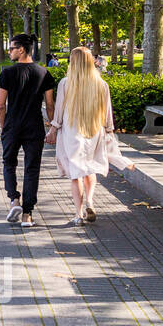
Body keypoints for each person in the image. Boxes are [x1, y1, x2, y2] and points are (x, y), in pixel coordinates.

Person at [46, 47, 135, 224]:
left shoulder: (65, 82)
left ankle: (78, 214)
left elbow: (59, 110)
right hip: (94, 130)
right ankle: (90, 201)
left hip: (72, 132)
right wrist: (109, 130)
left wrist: (53, 129)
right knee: (89, 168)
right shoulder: (101, 84)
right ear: (91, 62)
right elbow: (107, 112)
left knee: (75, 174)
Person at [0, 33, 57, 227]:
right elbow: (49, 104)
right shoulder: (43, 73)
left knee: (9, 163)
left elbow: (0, 106)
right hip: (34, 126)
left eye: (12, 48)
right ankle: (27, 214)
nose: (10, 52)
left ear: (21, 49)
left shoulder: (7, 73)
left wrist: (4, 127)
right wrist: (52, 126)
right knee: (32, 168)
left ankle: (14, 200)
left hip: (12, 126)